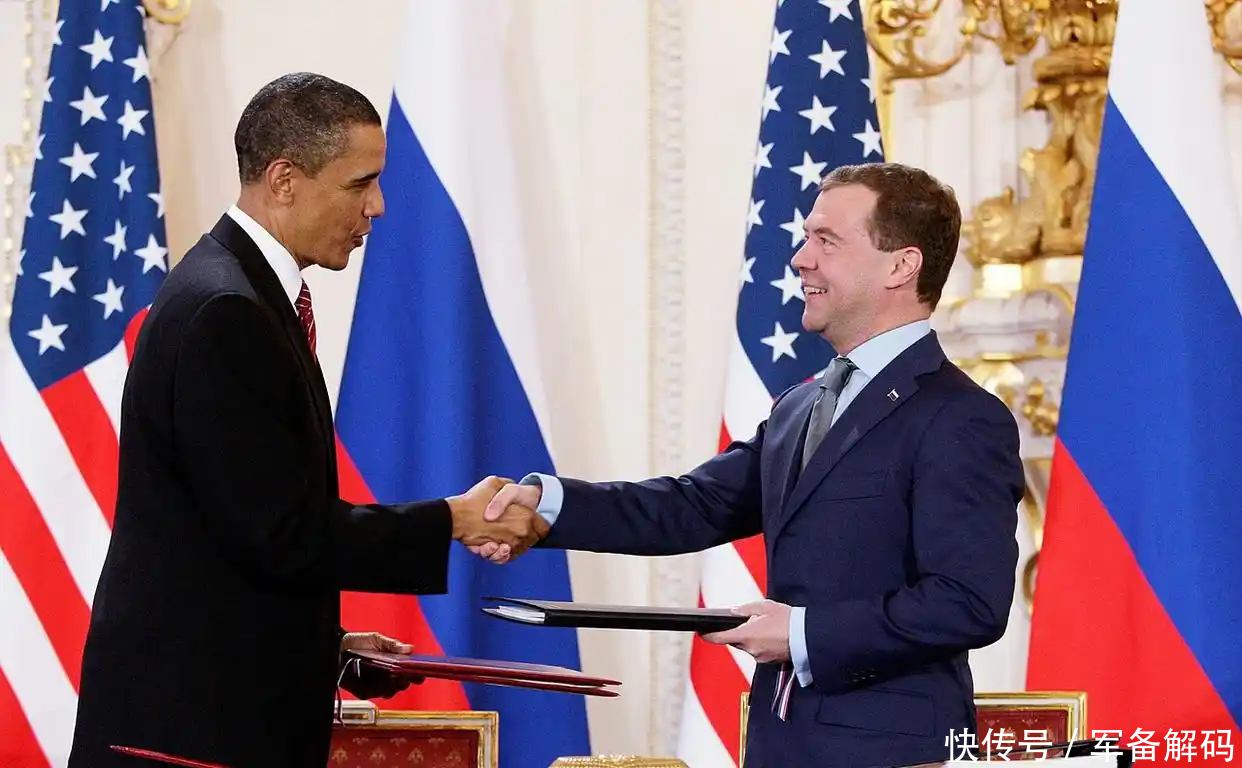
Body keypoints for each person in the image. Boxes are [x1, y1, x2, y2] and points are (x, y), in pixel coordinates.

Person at [68, 73, 544, 768]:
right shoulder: (225, 312)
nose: (378, 206)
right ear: (284, 180)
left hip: (212, 710)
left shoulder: (240, 292)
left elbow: (228, 543)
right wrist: (454, 519)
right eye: (360, 184)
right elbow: (281, 533)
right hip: (191, 732)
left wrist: (330, 647)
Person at [478, 162, 1024, 767]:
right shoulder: (801, 405)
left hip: (889, 753)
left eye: (826, 240)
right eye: (807, 237)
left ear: (901, 265)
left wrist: (799, 633)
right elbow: (692, 506)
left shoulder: (959, 417)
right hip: (780, 743)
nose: (800, 259)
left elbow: (966, 602)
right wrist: (546, 506)